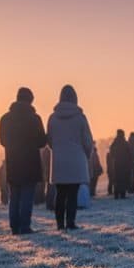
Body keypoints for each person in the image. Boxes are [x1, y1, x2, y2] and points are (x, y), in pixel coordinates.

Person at [0, 87, 47, 234]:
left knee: (14, 195)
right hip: (30, 162)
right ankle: (25, 225)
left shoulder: (5, 118)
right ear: (30, 100)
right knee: (27, 195)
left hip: (13, 162)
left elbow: (2, 141)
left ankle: (14, 226)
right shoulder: (35, 118)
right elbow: (41, 142)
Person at [47, 84, 94, 230]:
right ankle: (71, 222)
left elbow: (49, 140)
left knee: (60, 193)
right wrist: (86, 154)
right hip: (76, 160)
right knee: (73, 194)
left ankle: (60, 224)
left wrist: (58, 150)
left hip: (59, 160)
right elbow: (87, 140)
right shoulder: (80, 117)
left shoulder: (53, 118)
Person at [109, 129, 132, 199]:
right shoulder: (124, 143)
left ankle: (117, 194)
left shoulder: (115, 143)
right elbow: (129, 153)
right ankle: (122, 194)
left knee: (118, 179)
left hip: (117, 164)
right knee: (122, 179)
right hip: (123, 164)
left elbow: (111, 153)